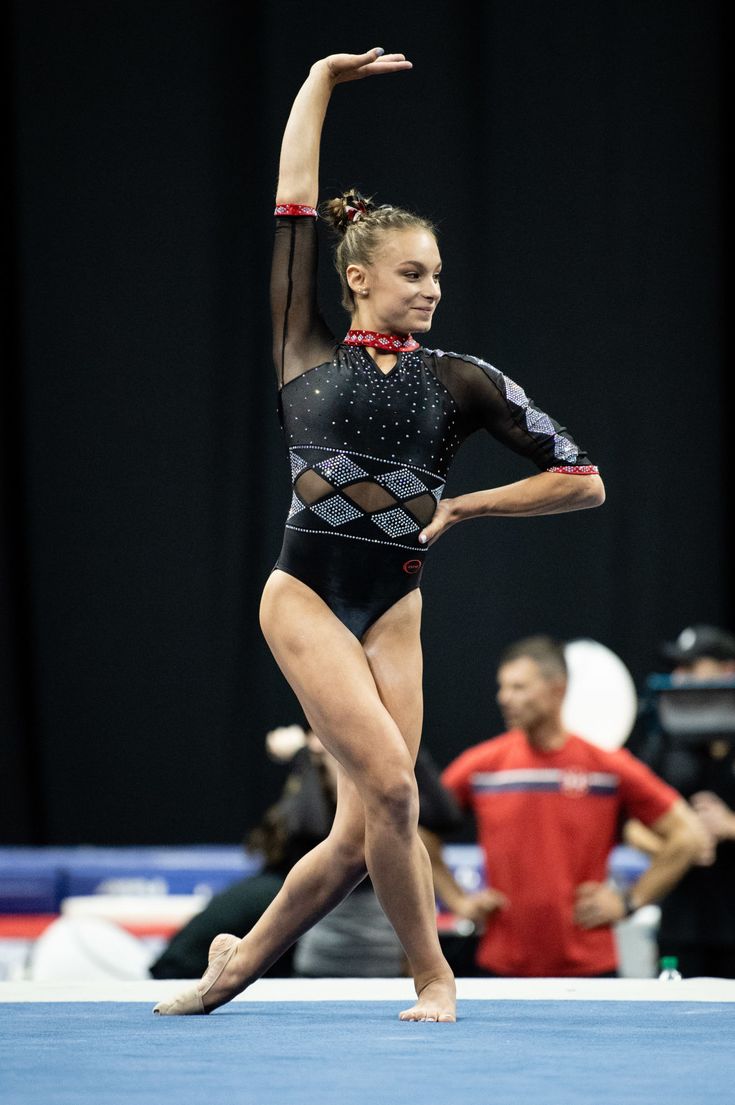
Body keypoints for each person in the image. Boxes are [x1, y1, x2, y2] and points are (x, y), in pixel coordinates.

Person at [154, 47, 605, 1021]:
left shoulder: (464, 380)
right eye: (412, 271)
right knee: (397, 791)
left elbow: (584, 481)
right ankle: (433, 977)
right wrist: (317, 84)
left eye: (438, 272)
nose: (431, 287)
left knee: (367, 827)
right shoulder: (302, 350)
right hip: (307, 592)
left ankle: (237, 963)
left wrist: (467, 507)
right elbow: (294, 206)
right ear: (356, 277)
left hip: (394, 601)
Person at [430, 636, 702, 977]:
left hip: (589, 969)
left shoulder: (603, 766)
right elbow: (416, 829)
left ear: (557, 690)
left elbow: (688, 835)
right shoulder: (483, 766)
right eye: (503, 687)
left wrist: (628, 901)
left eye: (518, 687)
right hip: (502, 968)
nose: (504, 698)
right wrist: (458, 900)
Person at [149, 726, 463, 980]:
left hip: (377, 957)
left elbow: (445, 816)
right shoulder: (312, 801)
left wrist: (398, 741)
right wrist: (309, 757)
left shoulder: (389, 794)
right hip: (317, 953)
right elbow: (318, 832)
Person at [632, 625, 735, 978]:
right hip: (681, 926)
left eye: (691, 667)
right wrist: (683, 842)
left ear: (727, 670)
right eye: (676, 667)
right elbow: (633, 830)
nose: (679, 676)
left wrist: (728, 826)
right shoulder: (663, 743)